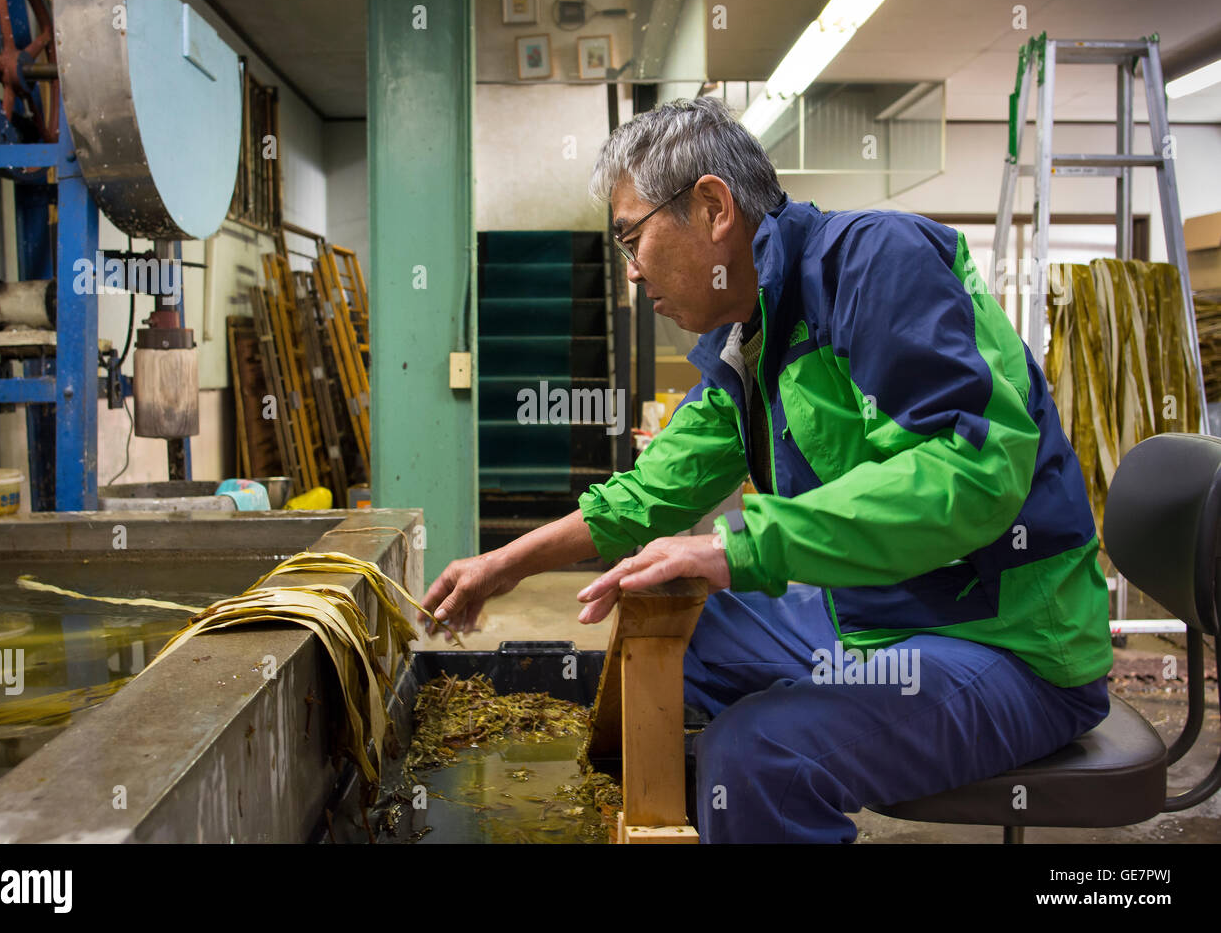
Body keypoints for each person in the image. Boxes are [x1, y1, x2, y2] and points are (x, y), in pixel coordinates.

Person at [421, 96, 1112, 843]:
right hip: (877, 617)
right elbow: (651, 492)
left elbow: (970, 475)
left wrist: (735, 549)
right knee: (676, 642)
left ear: (713, 207)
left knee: (759, 756)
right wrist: (506, 563)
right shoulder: (754, 338)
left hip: (1003, 641)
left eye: (632, 239)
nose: (630, 273)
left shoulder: (877, 265)